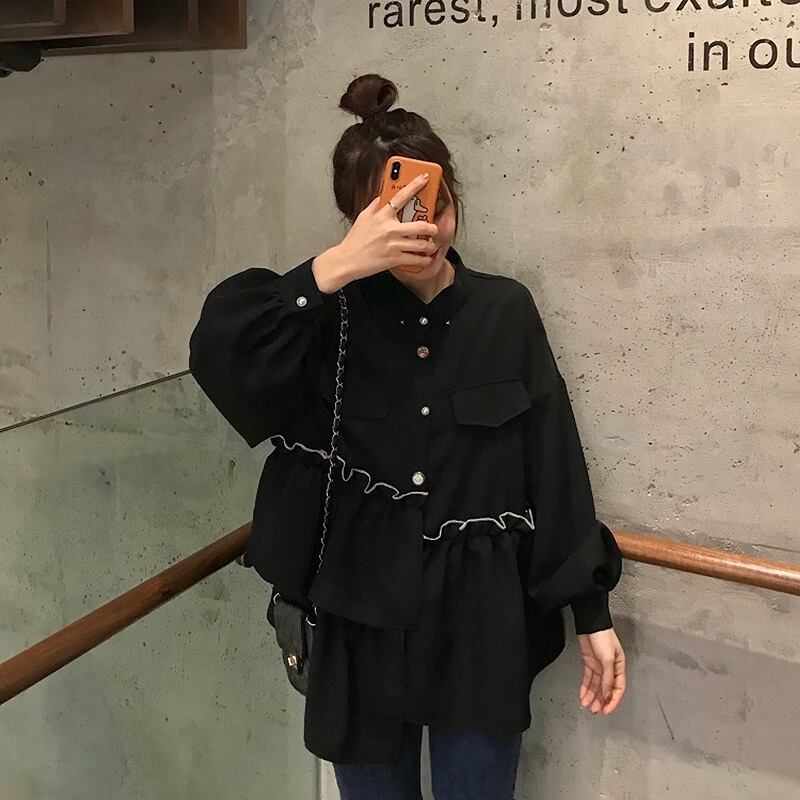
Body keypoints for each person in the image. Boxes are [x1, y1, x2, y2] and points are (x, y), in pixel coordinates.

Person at [188, 73, 626, 800]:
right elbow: (221, 357)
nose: (422, 229)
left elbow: (553, 464)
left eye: (435, 206)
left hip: (479, 622)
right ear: (355, 218)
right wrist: (335, 267)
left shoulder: (504, 312)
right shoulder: (320, 317)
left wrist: (592, 612)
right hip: (356, 619)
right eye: (392, 214)